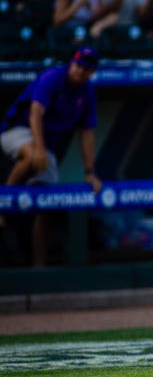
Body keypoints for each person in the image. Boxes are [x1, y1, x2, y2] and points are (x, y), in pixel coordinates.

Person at [0, 46, 103, 267]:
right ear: (72, 62)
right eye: (78, 65)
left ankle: (39, 265)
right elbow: (35, 114)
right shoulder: (53, 77)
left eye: (85, 69)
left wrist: (89, 172)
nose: (79, 71)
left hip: (44, 145)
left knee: (46, 203)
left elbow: (87, 135)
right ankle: (4, 205)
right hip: (16, 131)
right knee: (32, 159)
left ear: (92, 72)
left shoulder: (87, 94)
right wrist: (38, 147)